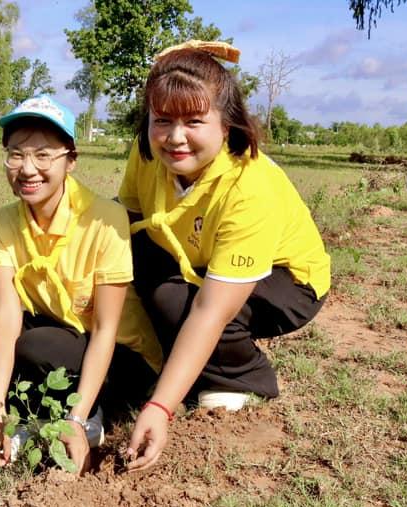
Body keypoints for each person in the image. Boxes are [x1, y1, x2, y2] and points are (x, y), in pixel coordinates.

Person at [117, 43, 331, 471]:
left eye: (194, 121)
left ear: (226, 122)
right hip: (197, 260)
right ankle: (157, 370)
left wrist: (161, 407)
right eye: (163, 120)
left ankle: (244, 378)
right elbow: (126, 223)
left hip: (285, 280)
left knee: (179, 303)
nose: (175, 138)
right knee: (117, 258)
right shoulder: (146, 153)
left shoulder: (250, 187)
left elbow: (211, 311)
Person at [0, 95, 162, 472]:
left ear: (70, 160)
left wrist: (77, 415)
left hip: (125, 359)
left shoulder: (106, 218)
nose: (27, 169)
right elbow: (6, 313)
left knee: (38, 345)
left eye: (43, 155)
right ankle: (33, 417)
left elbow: (105, 330)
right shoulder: (3, 223)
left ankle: (88, 417)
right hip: (66, 341)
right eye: (16, 154)